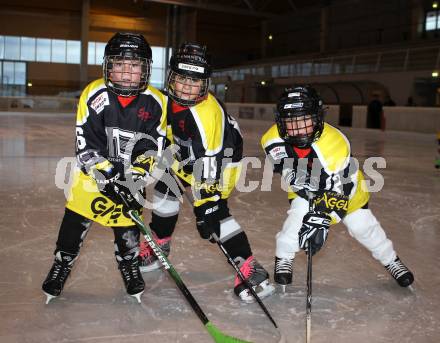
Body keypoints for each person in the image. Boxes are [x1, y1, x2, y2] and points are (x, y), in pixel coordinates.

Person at [138, 42, 275, 303]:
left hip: (218, 167)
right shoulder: (166, 101)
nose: (188, 86)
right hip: (186, 156)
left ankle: (250, 267)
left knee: (215, 216)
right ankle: (160, 243)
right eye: (182, 79)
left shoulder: (204, 116)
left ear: (206, 83)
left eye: (195, 81)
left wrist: (207, 204)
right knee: (164, 192)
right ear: (171, 78)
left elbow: (209, 165)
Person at [41, 32, 168, 304]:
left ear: (145, 68)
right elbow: (85, 142)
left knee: (128, 230)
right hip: (93, 177)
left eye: (134, 66)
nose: (126, 72)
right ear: (108, 66)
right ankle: (62, 264)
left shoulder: (156, 101)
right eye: (119, 64)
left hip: (130, 178)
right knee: (74, 224)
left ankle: (129, 265)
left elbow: (152, 145)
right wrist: (104, 173)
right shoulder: (95, 93)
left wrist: (135, 177)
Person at [260, 86, 414, 291]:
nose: (298, 127)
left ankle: (391, 260)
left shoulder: (334, 144)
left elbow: (339, 190)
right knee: (297, 220)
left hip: (346, 191)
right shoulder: (271, 140)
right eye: (291, 121)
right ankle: (284, 257)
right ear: (281, 121)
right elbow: (281, 166)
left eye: (305, 119)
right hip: (306, 187)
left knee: (363, 227)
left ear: (317, 118)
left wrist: (321, 221)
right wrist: (298, 184)